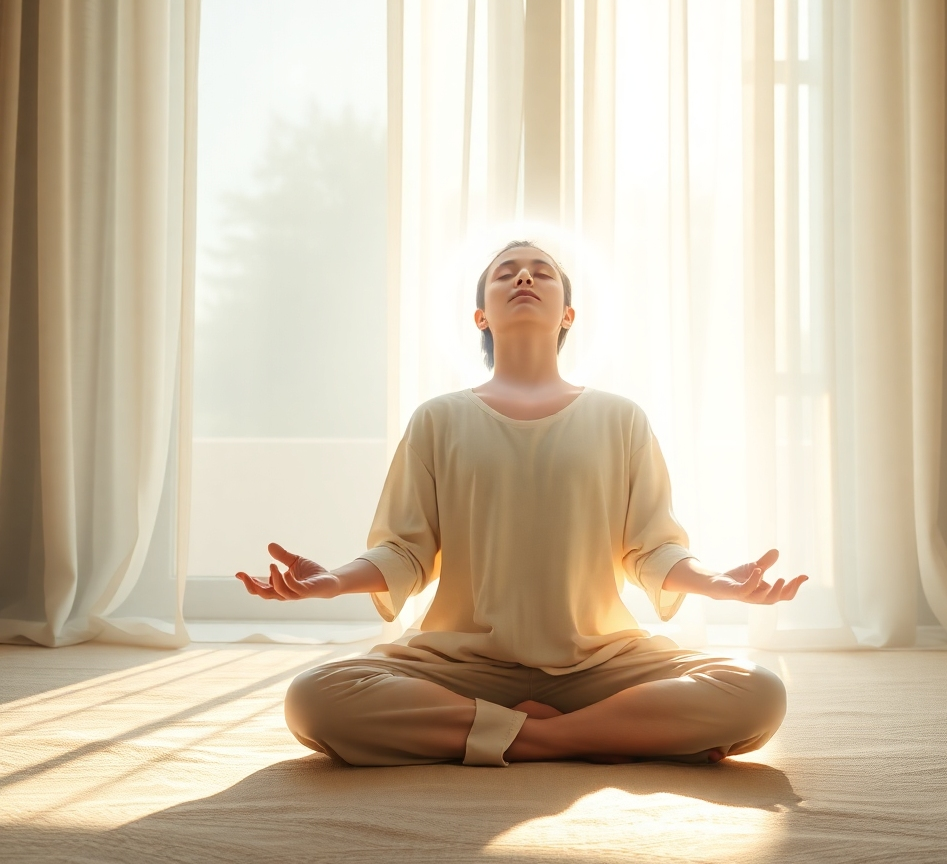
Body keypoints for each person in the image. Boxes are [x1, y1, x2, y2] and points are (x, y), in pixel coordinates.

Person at [237, 240, 808, 768]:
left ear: (568, 315)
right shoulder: (438, 419)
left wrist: (719, 584)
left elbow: (652, 549)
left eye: (543, 272)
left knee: (756, 691)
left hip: (601, 660)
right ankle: (590, 737)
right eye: (505, 274)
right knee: (314, 699)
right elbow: (405, 552)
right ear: (481, 316)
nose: (525, 276)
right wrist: (332, 581)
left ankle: (519, 737)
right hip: (461, 664)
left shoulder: (620, 418)